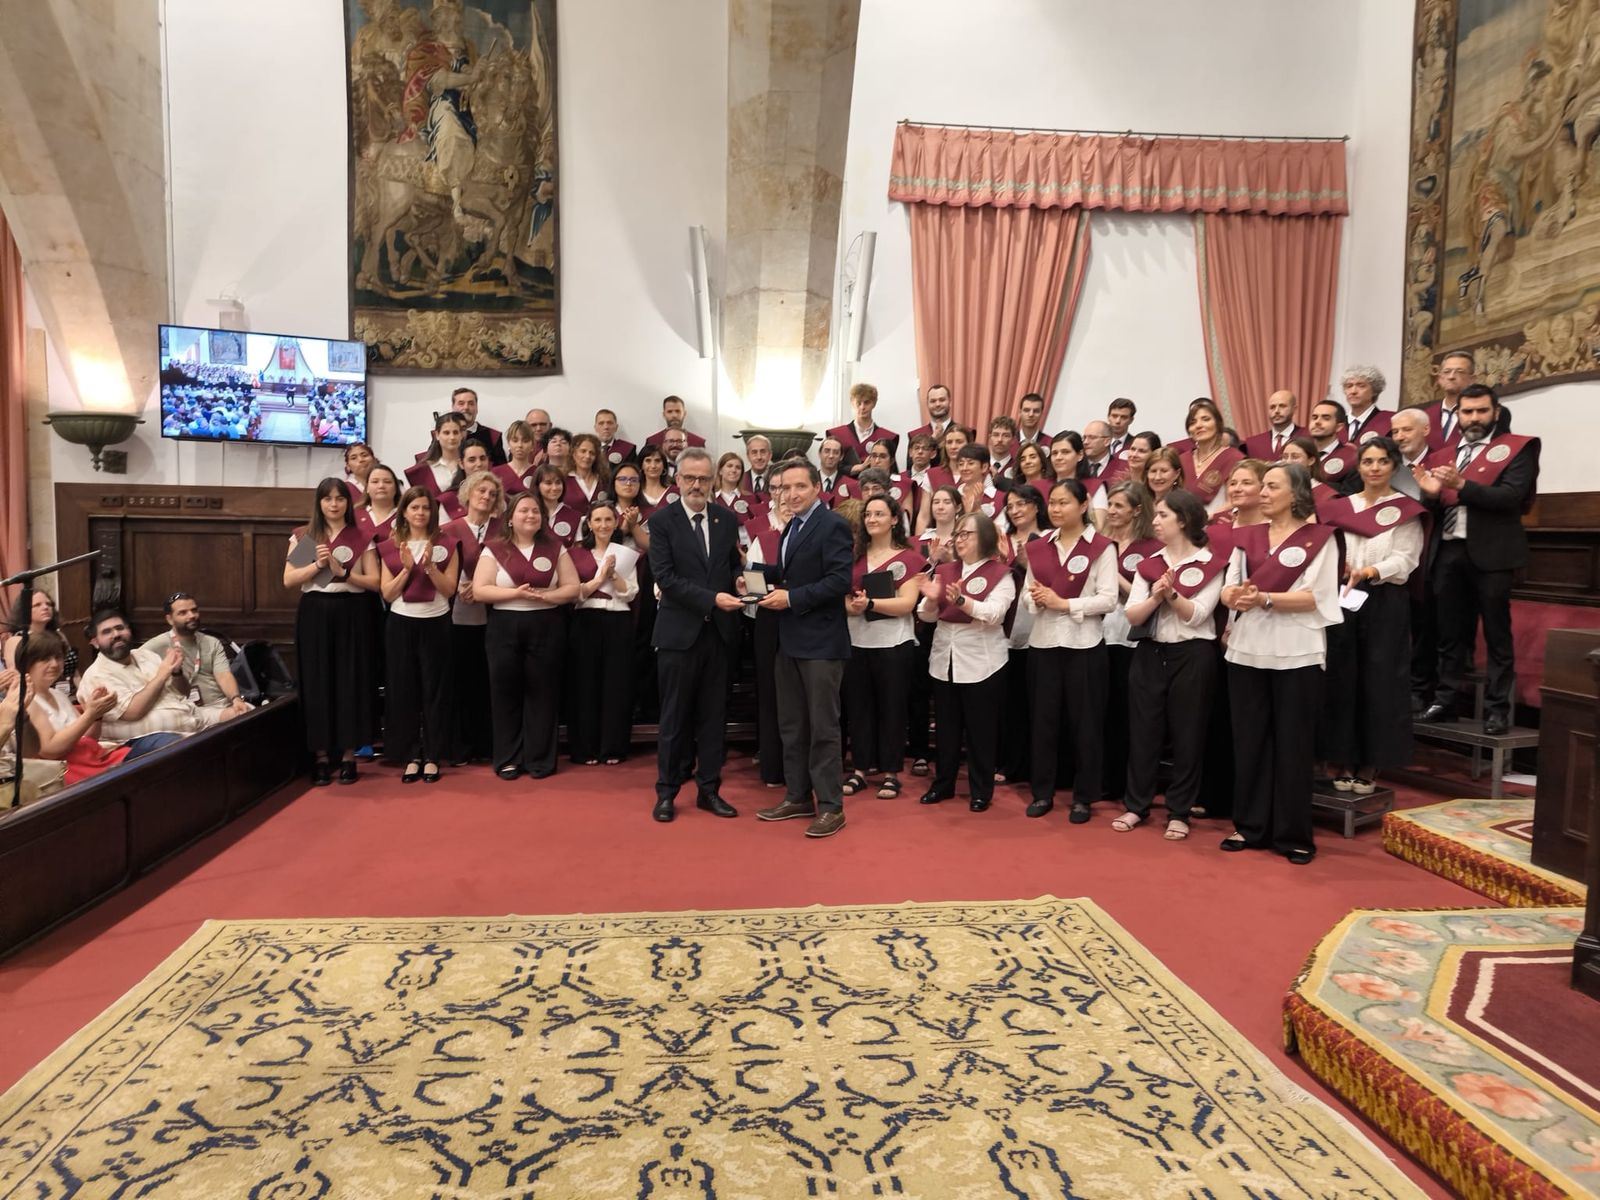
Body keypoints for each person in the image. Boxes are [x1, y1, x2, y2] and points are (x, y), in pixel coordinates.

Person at [1220, 463, 1342, 864]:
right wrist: (1233, 596)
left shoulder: (1320, 539)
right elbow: (1229, 586)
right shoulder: (1247, 538)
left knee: (1292, 745)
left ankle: (1293, 835)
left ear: (1297, 493)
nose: (1264, 492)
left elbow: (1318, 597)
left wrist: (1264, 599)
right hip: (1247, 650)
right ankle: (1250, 826)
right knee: (1249, 742)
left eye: (1273, 486)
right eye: (1264, 486)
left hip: (1297, 653)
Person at [1416, 384, 1540, 734]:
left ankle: (1498, 709)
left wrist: (1462, 485)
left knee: (1497, 635)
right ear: (1458, 415)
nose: (1473, 418)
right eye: (1467, 412)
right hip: (1450, 549)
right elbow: (1433, 507)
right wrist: (1428, 496)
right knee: (1449, 633)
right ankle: (1445, 700)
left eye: (1481, 411)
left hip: (1494, 552)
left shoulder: (1517, 449)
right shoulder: (1443, 454)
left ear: (1495, 413)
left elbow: (1512, 497)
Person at [1117, 489, 1228, 838]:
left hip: (1193, 654)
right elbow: (1132, 613)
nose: (1155, 521)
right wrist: (1155, 596)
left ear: (1183, 519)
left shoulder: (1210, 563)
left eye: (1162, 515)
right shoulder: (1150, 564)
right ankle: (1136, 805)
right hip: (1150, 652)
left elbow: (1197, 615)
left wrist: (1172, 595)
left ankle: (1179, 811)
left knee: (1188, 733)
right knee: (1143, 732)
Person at [1318, 437, 1426, 792]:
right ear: (1359, 466)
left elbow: (1406, 560)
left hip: (1384, 600)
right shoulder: (1343, 507)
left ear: (1394, 466)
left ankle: (1371, 761)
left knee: (1380, 681)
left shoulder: (1405, 509)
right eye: (1368, 462)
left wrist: (1369, 572)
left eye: (1382, 461)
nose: (1374, 468)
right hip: (1344, 598)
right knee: (1343, 676)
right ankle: (1343, 755)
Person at [755, 458, 855, 838]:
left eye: (799, 486)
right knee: (792, 725)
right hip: (789, 641)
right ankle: (797, 796)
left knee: (823, 728)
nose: (791, 494)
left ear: (817, 487)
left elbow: (838, 581)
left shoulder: (832, 525)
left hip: (821, 644)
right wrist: (754, 577)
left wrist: (792, 598)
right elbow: (789, 575)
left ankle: (831, 805)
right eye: (784, 488)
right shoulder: (791, 527)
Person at [647, 447, 744, 821]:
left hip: (718, 636)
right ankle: (667, 793)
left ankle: (709, 790)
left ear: (713, 479)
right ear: (678, 479)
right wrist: (713, 599)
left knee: (713, 717)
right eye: (690, 478)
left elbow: (731, 564)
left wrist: (738, 580)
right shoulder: (661, 522)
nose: (697, 485)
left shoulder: (725, 518)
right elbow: (666, 579)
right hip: (677, 635)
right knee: (674, 719)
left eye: (704, 478)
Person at [1022, 479, 1117, 821]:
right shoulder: (1039, 546)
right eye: (1053, 503)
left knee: (1086, 724)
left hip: (1084, 645)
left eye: (1064, 502)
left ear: (1083, 504)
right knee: (1043, 722)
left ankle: (1083, 797)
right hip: (1044, 643)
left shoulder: (1102, 547)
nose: (1057, 509)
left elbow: (1109, 598)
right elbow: (1026, 595)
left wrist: (1064, 603)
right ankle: (1042, 792)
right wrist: (1036, 600)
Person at [473, 492, 580, 781]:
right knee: (505, 692)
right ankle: (508, 758)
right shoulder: (494, 549)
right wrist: (515, 594)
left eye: (535, 511)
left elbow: (572, 588)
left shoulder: (555, 547)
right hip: (504, 626)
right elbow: (480, 590)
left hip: (546, 624)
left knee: (543, 693)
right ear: (510, 517)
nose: (531, 515)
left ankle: (540, 758)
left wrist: (547, 597)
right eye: (523, 511)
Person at [916, 512, 1015, 812]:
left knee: (980, 729)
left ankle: (981, 789)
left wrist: (961, 601)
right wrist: (932, 600)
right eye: (958, 534)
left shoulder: (1002, 573)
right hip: (945, 655)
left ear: (984, 537)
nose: (959, 540)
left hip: (982, 659)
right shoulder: (946, 569)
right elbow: (925, 615)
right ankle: (943, 783)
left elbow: (995, 614)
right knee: (946, 727)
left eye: (967, 534)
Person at [284, 479, 380, 784]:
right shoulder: (307, 536)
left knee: (351, 680)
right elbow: (289, 580)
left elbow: (375, 582)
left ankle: (350, 755)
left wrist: (344, 573)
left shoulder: (361, 536)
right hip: (315, 612)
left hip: (353, 613)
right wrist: (316, 566)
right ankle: (322, 755)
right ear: (320, 503)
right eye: (328, 499)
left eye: (340, 499)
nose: (335, 504)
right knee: (318, 680)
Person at [841, 494, 924, 801]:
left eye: (879, 514)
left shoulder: (910, 558)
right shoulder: (853, 557)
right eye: (868, 515)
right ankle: (861, 769)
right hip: (856, 641)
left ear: (894, 519)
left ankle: (891, 773)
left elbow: (907, 604)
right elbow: (842, 596)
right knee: (858, 708)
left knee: (892, 708)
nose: (872, 519)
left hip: (893, 643)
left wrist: (871, 603)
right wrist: (851, 606)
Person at [377, 487, 459, 783]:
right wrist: (407, 570)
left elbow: (450, 590)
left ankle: (434, 755)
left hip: (436, 622)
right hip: (401, 624)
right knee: (404, 691)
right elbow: (386, 593)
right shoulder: (391, 545)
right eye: (415, 508)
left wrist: (431, 569)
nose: (420, 513)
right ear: (405, 512)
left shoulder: (447, 543)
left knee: (435, 692)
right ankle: (411, 755)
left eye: (425, 508)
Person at [80, 607, 242, 759]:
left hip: (192, 717)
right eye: (107, 632)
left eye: (120, 628)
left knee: (244, 713)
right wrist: (162, 675)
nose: (116, 634)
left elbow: (184, 693)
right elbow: (133, 712)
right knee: (188, 747)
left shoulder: (146, 656)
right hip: (143, 740)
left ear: (129, 631)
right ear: (95, 642)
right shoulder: (97, 675)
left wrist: (177, 673)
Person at [1098, 480, 1161, 806]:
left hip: (1131, 637)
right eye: (1110, 504)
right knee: (1102, 710)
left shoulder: (1150, 548)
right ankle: (1103, 779)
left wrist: (1111, 576)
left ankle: (1127, 785)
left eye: (1119, 505)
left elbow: (1144, 595)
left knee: (1128, 713)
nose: (1112, 511)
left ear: (1137, 510)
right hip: (1100, 634)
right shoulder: (1102, 542)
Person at [569, 499, 640, 766]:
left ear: (616, 522)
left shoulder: (625, 553)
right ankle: (585, 748)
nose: (603, 525)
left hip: (617, 619)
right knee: (585, 683)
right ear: (589, 524)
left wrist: (612, 576)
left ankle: (613, 747)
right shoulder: (576, 554)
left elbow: (631, 592)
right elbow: (573, 592)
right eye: (597, 520)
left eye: (608, 520)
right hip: (586, 618)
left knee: (616, 684)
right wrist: (597, 579)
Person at [440, 469, 502, 766]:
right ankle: (461, 744)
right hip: (456, 610)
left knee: (487, 681)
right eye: (481, 491)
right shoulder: (450, 529)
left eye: (492, 494)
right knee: (459, 680)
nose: (486, 497)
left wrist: (482, 588)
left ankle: (486, 743)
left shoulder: (503, 529)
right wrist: (460, 586)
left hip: (492, 612)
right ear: (468, 495)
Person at [13, 631, 129, 785]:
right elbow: (49, 749)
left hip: (86, 760)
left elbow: (88, 737)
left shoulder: (57, 694)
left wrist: (96, 715)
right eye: (45, 659)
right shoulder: (27, 700)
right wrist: (89, 715)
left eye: (58, 657)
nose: (54, 664)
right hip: (61, 772)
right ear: (26, 664)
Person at [138, 593, 253, 717]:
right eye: (183, 613)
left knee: (251, 711)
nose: (191, 616)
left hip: (221, 703)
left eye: (194, 610)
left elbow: (224, 675)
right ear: (170, 619)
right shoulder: (157, 645)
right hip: (187, 710)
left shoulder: (211, 642)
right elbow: (132, 666)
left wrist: (235, 699)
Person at [1177, 399, 1243, 514]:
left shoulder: (1233, 457)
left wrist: (1208, 518)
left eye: (1205, 419)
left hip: (1219, 523)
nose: (1199, 425)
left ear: (1217, 424)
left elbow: (1234, 500)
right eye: (1193, 422)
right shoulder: (1182, 460)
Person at [4, 589, 77, 687]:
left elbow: (76, 674)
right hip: (33, 695)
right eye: (37, 605)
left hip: (68, 693)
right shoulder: (17, 641)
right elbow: (14, 677)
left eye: (49, 604)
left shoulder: (59, 636)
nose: (45, 607)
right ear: (24, 610)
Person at [829, 381, 900, 474]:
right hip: (844, 486)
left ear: (874, 403)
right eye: (858, 403)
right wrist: (856, 468)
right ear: (852, 402)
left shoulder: (888, 437)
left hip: (877, 486)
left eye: (867, 402)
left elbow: (892, 471)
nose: (862, 407)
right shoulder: (837, 435)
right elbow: (829, 468)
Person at [406, 412, 467, 497]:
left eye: (456, 432)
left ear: (461, 435)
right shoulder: (423, 470)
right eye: (446, 433)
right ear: (437, 435)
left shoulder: (470, 464)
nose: (452, 437)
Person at [1424, 349, 1475, 449]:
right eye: (1447, 372)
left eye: (1459, 372)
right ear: (1440, 379)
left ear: (1472, 380)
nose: (1451, 376)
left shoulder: (1480, 414)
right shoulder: (1426, 416)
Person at [1241, 390, 1306, 461]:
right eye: (1272, 407)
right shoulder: (1252, 444)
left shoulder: (1308, 437)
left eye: (1282, 406)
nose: (1276, 411)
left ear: (1294, 409)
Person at [450, 386, 506, 465]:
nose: (466, 407)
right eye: (461, 403)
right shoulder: (443, 436)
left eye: (471, 403)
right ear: (453, 407)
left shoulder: (493, 436)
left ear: (477, 408)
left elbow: (501, 470)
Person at [1307, 400, 1357, 485]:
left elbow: (1349, 492)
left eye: (1326, 418)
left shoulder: (1352, 458)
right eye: (1314, 417)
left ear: (1339, 427)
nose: (1317, 422)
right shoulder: (1300, 452)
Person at [907, 384, 956, 467]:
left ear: (950, 402)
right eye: (933, 401)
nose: (937, 404)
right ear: (927, 404)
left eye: (942, 400)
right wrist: (932, 440)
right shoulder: (914, 435)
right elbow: (911, 469)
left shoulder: (966, 433)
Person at [534, 463, 584, 545]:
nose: (554, 488)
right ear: (537, 485)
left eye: (558, 483)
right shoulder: (530, 513)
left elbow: (578, 551)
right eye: (548, 483)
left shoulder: (575, 517)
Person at [1341, 365, 1393, 444]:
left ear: (1374, 390)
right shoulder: (1337, 425)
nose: (1353, 391)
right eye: (1349, 386)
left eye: (1361, 386)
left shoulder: (1389, 421)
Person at [566, 432, 611, 508]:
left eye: (592, 453)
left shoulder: (605, 480)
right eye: (583, 451)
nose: (587, 456)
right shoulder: (564, 480)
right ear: (573, 454)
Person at [360, 464, 401, 540]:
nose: (381, 486)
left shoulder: (406, 516)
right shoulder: (354, 516)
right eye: (375, 482)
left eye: (387, 482)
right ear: (367, 488)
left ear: (396, 488)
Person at [637, 444, 679, 517]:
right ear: (641, 465)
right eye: (648, 461)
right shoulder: (635, 493)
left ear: (664, 465)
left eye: (657, 461)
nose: (653, 466)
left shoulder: (676, 491)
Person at [986, 415, 1017, 480]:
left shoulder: (1018, 468)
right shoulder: (979, 465)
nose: (1000, 439)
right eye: (996, 435)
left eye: (1006, 436)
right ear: (990, 438)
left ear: (1013, 440)